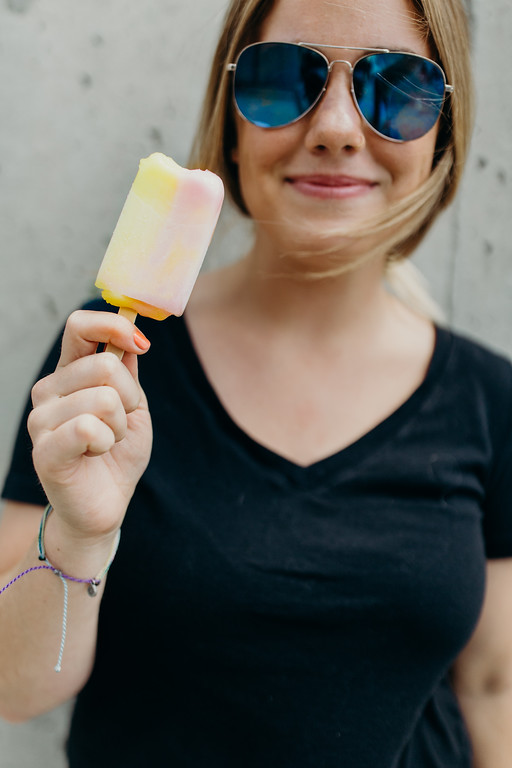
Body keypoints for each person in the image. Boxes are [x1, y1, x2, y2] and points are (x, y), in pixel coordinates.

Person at [1, 0, 511, 765]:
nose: (337, 126)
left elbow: (495, 688)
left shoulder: (491, 400)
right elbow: (14, 691)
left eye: (397, 85)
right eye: (284, 78)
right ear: (230, 121)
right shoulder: (112, 357)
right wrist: (78, 532)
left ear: (444, 132)